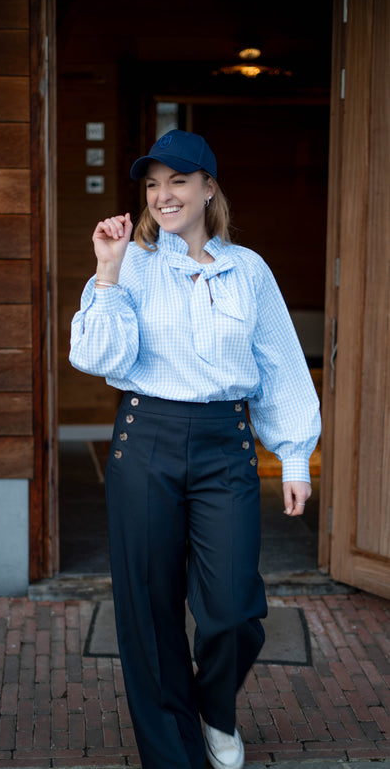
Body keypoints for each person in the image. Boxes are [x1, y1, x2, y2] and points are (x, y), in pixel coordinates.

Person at [69, 129, 321, 769]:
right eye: (152, 184)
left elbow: (281, 365)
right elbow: (96, 357)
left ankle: (215, 710)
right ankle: (172, 754)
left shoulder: (249, 270)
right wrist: (106, 269)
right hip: (144, 442)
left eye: (178, 181)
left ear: (209, 188)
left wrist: (294, 456)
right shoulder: (129, 263)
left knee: (233, 611)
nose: (163, 195)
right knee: (149, 616)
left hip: (225, 447)